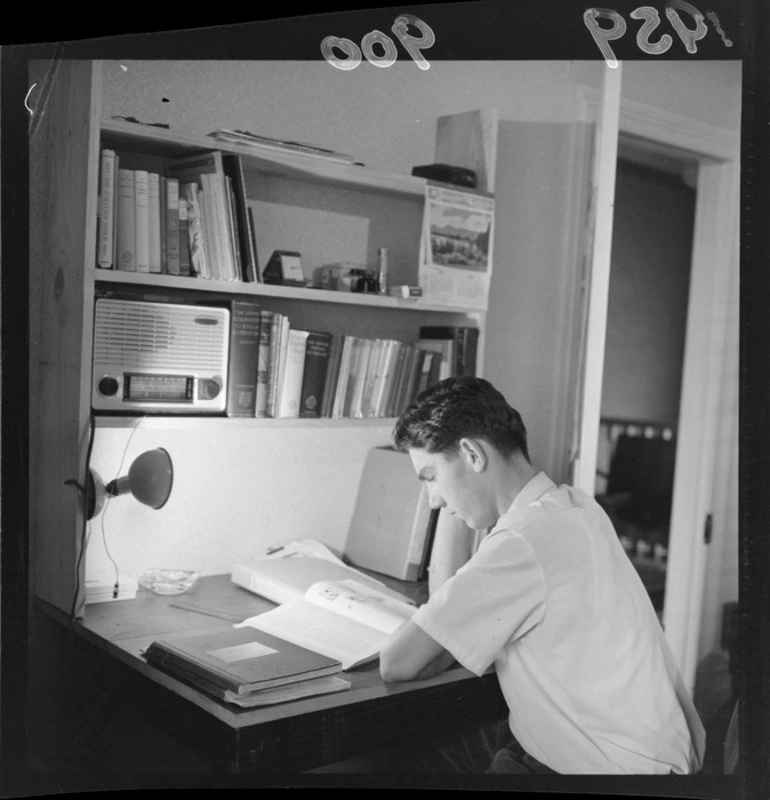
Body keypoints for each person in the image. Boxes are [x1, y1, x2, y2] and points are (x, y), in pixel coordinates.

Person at [379, 376, 706, 775]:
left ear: (472, 454)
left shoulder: (521, 543)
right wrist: (452, 497)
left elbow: (397, 663)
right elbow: (447, 627)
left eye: (430, 477)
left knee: (401, 757)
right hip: (657, 756)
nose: (431, 499)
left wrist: (451, 510)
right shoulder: (574, 506)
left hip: (608, 770)